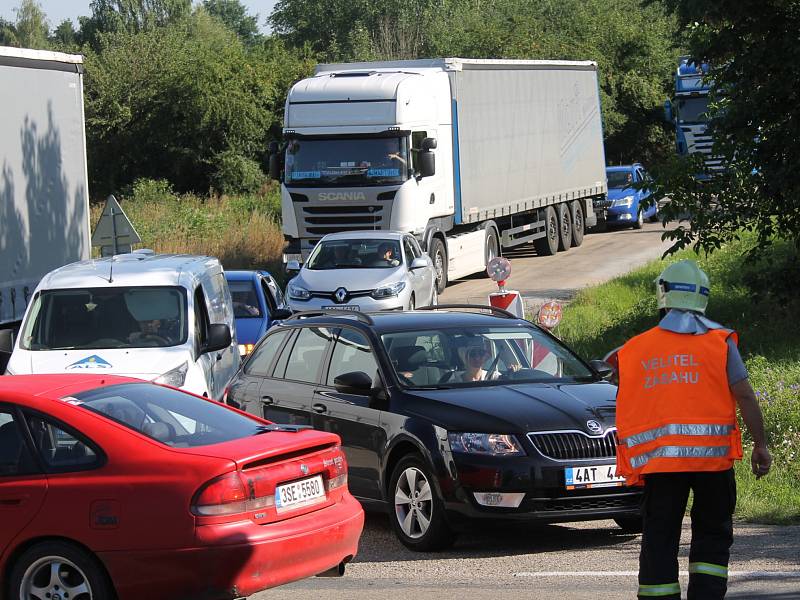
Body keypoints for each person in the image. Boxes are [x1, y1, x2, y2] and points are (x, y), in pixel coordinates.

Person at [615, 260, 771, 600]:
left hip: (661, 465)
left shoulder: (634, 349)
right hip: (713, 465)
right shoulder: (720, 342)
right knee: (712, 537)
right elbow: (743, 393)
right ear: (703, 297)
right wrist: (760, 444)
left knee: (660, 537)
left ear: (663, 294)